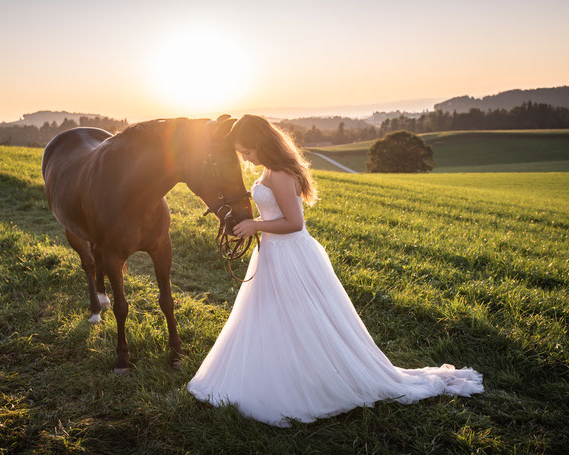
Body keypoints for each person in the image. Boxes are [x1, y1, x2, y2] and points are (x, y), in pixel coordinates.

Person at [186, 114, 483, 427]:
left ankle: (310, 383)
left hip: (291, 255)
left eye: (248, 151)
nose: (246, 158)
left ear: (260, 142)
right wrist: (246, 226)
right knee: (271, 318)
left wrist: (254, 224)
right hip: (272, 253)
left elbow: (295, 223)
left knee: (300, 320)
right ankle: (281, 374)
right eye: (242, 153)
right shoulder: (269, 170)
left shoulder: (281, 173)